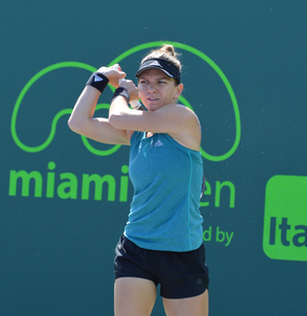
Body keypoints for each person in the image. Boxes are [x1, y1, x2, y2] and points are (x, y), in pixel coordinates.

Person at [68, 44, 209, 316]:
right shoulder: (135, 132)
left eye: (161, 82)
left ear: (178, 90)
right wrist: (99, 78)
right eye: (144, 82)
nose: (151, 88)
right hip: (136, 249)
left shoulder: (184, 118)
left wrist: (122, 91)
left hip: (182, 253)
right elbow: (78, 123)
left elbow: (118, 114)